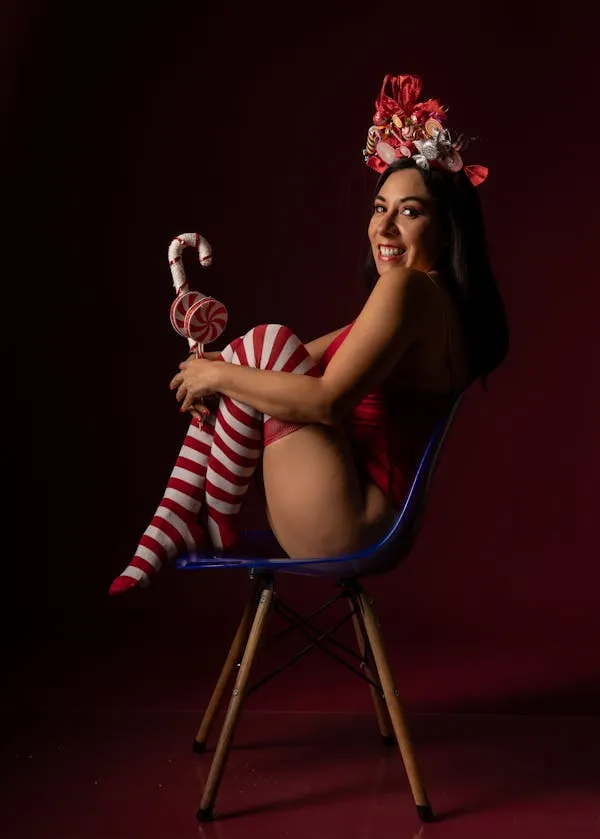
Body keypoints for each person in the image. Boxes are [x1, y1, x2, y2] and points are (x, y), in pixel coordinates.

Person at [109, 73, 508, 596]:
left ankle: (199, 513)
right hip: (361, 520)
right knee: (261, 351)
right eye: (379, 207)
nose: (383, 228)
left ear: (447, 227)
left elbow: (323, 401)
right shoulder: (436, 304)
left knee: (264, 346)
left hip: (346, 523)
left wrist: (218, 372)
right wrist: (221, 369)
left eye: (409, 212)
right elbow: (283, 359)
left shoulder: (409, 292)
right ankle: (191, 513)